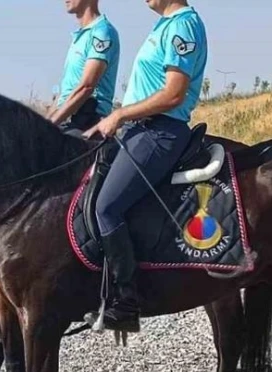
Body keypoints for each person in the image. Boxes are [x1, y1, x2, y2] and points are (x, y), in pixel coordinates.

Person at [85, 0, 208, 332]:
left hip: (159, 131)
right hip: (141, 129)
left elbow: (173, 95)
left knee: (107, 207)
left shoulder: (183, 25)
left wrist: (120, 114)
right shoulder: (164, 26)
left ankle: (126, 302)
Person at [48, 0, 121, 135]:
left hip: (87, 120)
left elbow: (86, 87)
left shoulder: (102, 32)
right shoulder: (80, 36)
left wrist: (49, 126)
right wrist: (43, 124)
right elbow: (64, 93)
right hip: (68, 121)